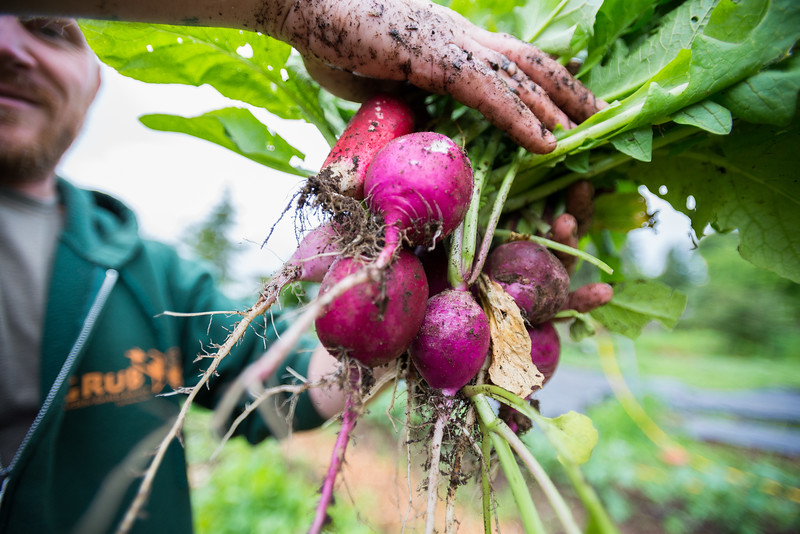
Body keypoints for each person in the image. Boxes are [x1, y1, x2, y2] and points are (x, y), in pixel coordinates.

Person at [0, 3, 602, 533]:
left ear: (95, 77)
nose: (7, 45)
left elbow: (266, 389)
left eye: (49, 26)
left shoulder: (145, 272)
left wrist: (425, 311)